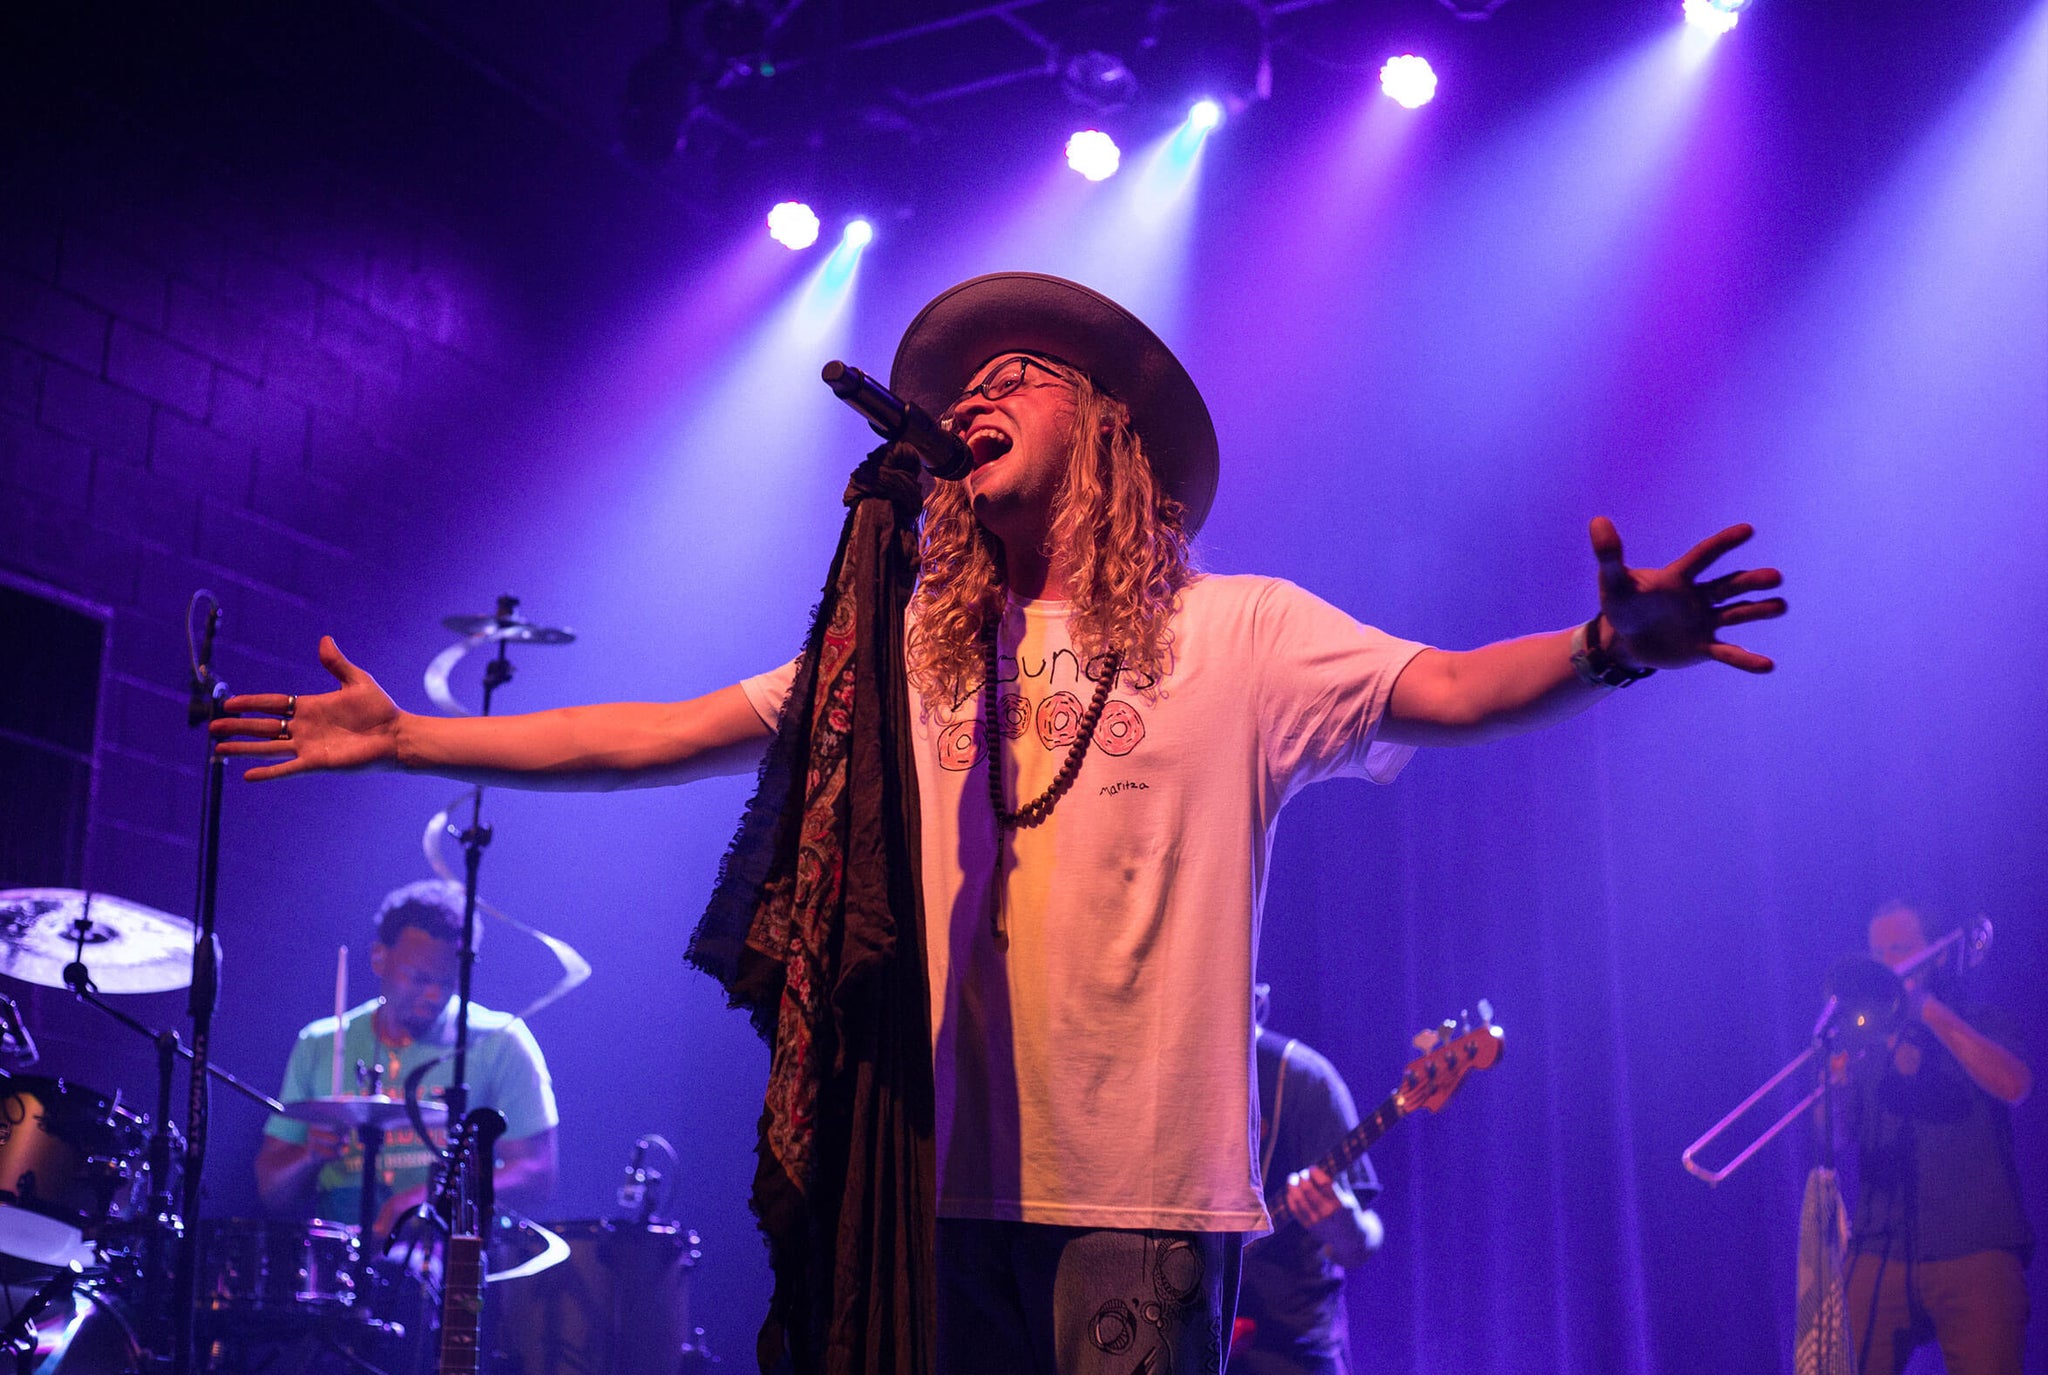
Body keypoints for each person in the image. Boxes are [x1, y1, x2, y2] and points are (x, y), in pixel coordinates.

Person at [213, 273, 1784, 1372]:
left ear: (1109, 431)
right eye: (968, 381)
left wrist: (1603, 650)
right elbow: (665, 733)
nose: (977, 391)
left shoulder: (1242, 629)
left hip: (1142, 1199)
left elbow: (1446, 688)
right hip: (926, 1193)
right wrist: (413, 736)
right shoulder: (902, 649)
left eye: (1020, 374)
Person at [255, 879, 559, 1236]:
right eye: (418, 978)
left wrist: (426, 1201)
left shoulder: (500, 1041)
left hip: (447, 1258)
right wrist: (310, 1156)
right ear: (379, 959)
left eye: (447, 982)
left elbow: (537, 1172)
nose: (433, 995)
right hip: (341, 1262)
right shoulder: (319, 1042)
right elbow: (270, 1191)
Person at [1839, 902, 2032, 1375]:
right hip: (1878, 1250)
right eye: (1877, 953)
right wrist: (1834, 1083)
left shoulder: (1981, 1019)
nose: (1887, 964)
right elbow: (1835, 1139)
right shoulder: (1865, 1045)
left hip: (1975, 1247)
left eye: (1900, 949)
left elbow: (2014, 1086)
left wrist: (1927, 1010)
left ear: (1939, 954)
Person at [1232, 987, 1384, 1375]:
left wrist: (1345, 1227)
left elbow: (1363, 1240)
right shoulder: (1161, 1081)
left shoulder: (1303, 1079)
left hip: (1288, 1352)